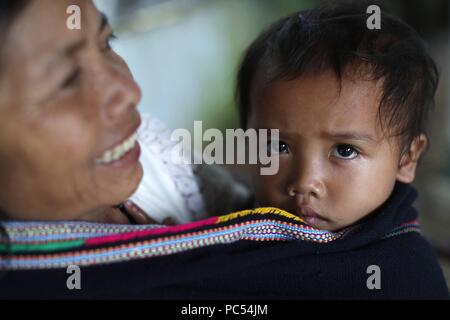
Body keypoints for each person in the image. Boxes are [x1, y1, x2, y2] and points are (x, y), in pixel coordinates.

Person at [235, 1, 449, 296]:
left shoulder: (404, 275)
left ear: (407, 159)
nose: (304, 182)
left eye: (345, 150)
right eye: (277, 146)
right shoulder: (241, 217)